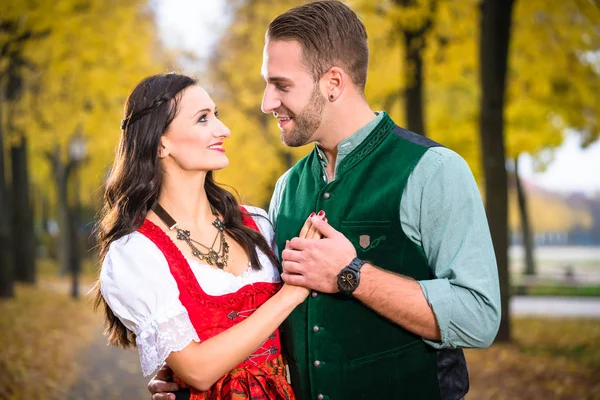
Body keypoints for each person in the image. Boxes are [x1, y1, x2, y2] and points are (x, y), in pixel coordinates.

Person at [150, 1, 501, 399]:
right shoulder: (287, 188)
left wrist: (352, 275)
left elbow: (479, 317)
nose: (267, 102)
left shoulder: (434, 170)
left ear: (333, 83)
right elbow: (269, 312)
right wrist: (196, 370)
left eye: (281, 85)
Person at [92, 72, 324, 399]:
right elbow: (198, 371)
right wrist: (290, 294)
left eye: (217, 115)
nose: (223, 129)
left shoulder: (257, 225)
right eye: (203, 119)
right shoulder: (136, 252)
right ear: (161, 143)